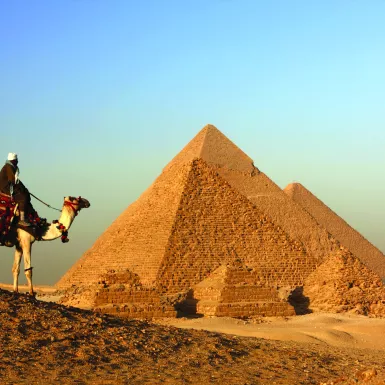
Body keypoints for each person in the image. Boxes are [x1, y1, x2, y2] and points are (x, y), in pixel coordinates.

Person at [0, 153, 32, 226]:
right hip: (5, 187)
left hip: (8, 185)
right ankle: (22, 219)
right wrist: (21, 188)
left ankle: (27, 214)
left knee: (26, 193)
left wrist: (23, 188)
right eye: (16, 160)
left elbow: (16, 180)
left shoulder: (11, 166)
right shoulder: (8, 167)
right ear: (13, 160)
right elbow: (13, 180)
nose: (17, 161)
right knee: (22, 198)